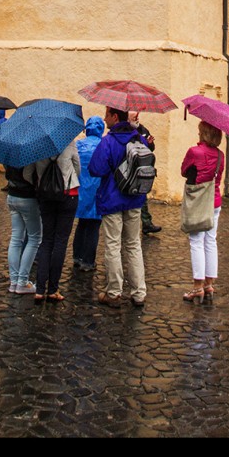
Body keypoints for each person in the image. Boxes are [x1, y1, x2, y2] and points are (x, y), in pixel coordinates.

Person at [88, 107, 148, 309]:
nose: (105, 119)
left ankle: (114, 292)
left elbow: (96, 169)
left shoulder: (108, 141)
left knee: (113, 245)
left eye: (107, 115)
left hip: (112, 199)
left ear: (115, 117)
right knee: (133, 244)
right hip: (134, 199)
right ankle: (139, 293)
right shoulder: (138, 139)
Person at [180, 120, 225, 302]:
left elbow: (184, 170)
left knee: (196, 241)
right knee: (211, 241)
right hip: (215, 200)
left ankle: (197, 286)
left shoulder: (195, 152)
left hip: (199, 200)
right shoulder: (221, 155)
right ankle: (209, 284)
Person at [33, 140, 80, 302]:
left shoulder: (37, 145)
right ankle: (53, 289)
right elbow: (78, 168)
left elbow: (28, 173)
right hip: (68, 194)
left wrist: (41, 180)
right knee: (60, 242)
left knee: (46, 240)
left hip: (46, 195)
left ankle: (39, 290)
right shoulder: (69, 142)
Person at [72, 116, 106, 271]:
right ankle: (88, 261)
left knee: (81, 224)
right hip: (98, 191)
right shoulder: (103, 145)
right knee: (93, 227)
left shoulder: (78, 145)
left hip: (81, 190)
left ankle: (77, 256)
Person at [4, 161, 43, 295]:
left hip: (12, 195)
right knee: (34, 238)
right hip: (28, 196)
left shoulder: (12, 151)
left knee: (16, 239)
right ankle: (22, 282)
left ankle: (14, 281)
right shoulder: (32, 154)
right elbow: (31, 176)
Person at [128, 111, 162, 236]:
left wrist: (150, 143)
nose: (137, 119)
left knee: (142, 195)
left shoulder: (143, 130)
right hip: (130, 168)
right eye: (134, 117)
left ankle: (146, 223)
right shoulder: (125, 130)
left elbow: (150, 148)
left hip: (142, 169)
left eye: (137, 117)